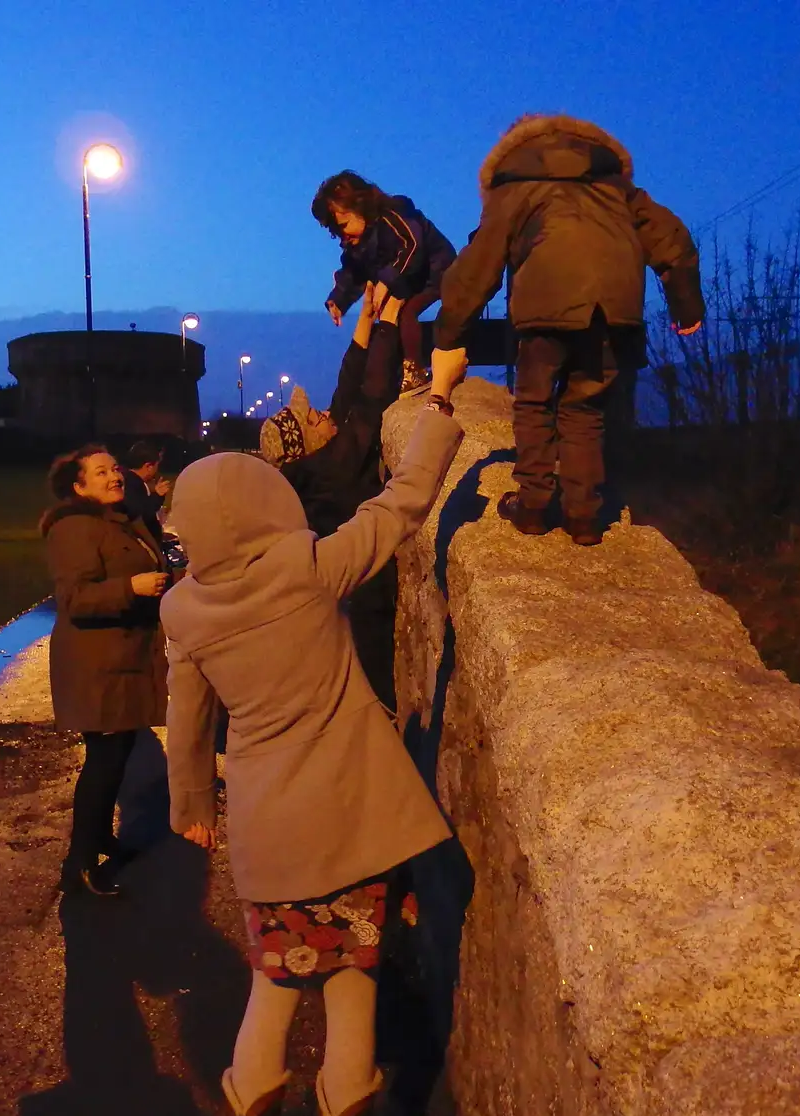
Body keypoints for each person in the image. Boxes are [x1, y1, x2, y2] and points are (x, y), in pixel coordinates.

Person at [163, 384, 465, 1116]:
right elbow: (395, 510)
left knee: (274, 980)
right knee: (352, 979)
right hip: (348, 817)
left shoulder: (183, 613)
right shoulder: (305, 567)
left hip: (270, 827)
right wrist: (435, 420)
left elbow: (185, 724)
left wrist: (191, 808)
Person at [430, 113, 705, 546]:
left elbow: (475, 269)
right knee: (585, 408)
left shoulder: (516, 185)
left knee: (535, 400)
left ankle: (534, 505)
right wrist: (686, 305)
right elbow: (672, 237)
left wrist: (448, 334)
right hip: (615, 309)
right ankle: (583, 516)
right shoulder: (615, 187)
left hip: (546, 300)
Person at [261, 282, 406, 710]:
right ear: (306, 443)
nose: (324, 414)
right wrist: (391, 319)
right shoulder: (332, 469)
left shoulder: (316, 466)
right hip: (368, 601)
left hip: (358, 595)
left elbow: (346, 392)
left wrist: (365, 321)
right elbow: (370, 399)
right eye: (313, 418)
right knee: (380, 699)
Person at [41, 444, 172, 897]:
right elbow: (75, 599)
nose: (114, 476)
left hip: (121, 658)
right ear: (78, 487)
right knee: (103, 762)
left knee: (115, 757)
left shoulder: (115, 520)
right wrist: (131, 587)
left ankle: (98, 841)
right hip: (98, 663)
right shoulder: (75, 528)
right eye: (101, 472)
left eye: (115, 469)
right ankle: (81, 862)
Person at [313, 170, 456, 393]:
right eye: (337, 231)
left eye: (344, 225)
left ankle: (415, 370)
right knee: (388, 322)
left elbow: (412, 247)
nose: (344, 236)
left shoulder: (393, 215)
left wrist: (387, 282)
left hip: (435, 269)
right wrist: (338, 299)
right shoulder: (358, 243)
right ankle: (393, 373)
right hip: (407, 277)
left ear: (360, 207)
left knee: (407, 312)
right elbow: (353, 272)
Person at [121, 439, 167, 543]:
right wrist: (157, 496)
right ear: (149, 466)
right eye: (157, 465)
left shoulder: (131, 480)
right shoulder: (131, 484)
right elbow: (140, 515)